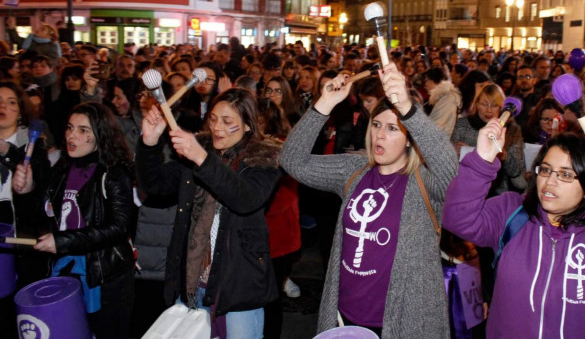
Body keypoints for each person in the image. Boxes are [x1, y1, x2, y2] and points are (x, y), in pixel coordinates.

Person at [280, 63, 458, 338]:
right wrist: (324, 104)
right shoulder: (354, 171)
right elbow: (292, 161)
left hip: (402, 320)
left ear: (411, 138)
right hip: (345, 315)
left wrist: (409, 111)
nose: (380, 135)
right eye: (376, 124)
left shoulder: (424, 182)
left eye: (393, 128)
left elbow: (450, 171)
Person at [442, 127, 585, 338]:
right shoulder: (511, 213)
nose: (550, 181)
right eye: (546, 169)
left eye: (566, 175)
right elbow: (457, 219)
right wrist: (481, 160)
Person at [136, 88, 282, 338]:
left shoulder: (264, 160)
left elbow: (244, 199)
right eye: (213, 119)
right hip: (192, 280)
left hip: (238, 285)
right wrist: (149, 143)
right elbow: (156, 185)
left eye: (228, 122)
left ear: (248, 125)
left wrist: (202, 159)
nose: (217, 127)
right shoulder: (199, 150)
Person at [12, 102, 135, 339]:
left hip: (104, 274)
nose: (72, 135)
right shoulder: (62, 168)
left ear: (100, 135)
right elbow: (43, 218)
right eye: (70, 128)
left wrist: (62, 241)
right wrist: (27, 192)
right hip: (65, 269)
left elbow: (118, 227)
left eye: (83, 130)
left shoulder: (113, 173)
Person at [452, 83, 527, 194]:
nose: (489, 110)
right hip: (467, 186)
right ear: (476, 104)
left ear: (502, 107)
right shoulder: (463, 124)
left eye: (494, 105)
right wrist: (454, 151)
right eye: (484, 104)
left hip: (498, 190)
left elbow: (516, 169)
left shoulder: (511, 129)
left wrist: (504, 156)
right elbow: (449, 164)